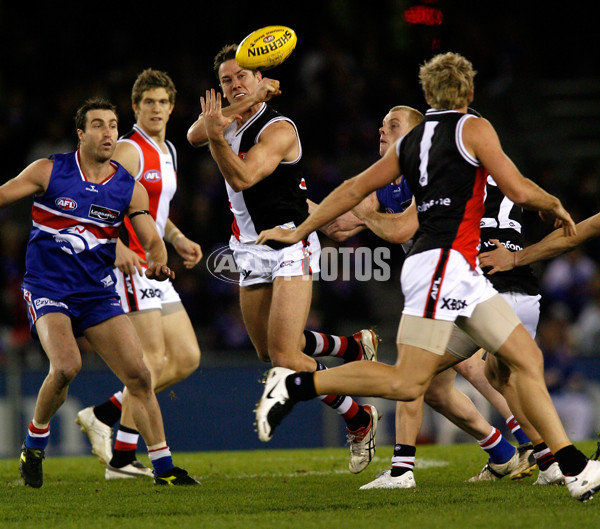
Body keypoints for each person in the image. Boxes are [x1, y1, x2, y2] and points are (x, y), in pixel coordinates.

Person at [253, 52, 600, 502]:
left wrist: (299, 230)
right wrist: (553, 204)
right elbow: (516, 188)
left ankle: (572, 468)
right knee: (407, 382)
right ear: (469, 93)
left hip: (459, 271)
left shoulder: (409, 145)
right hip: (441, 265)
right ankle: (297, 383)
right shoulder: (472, 127)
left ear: (428, 94)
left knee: (524, 362)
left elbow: (353, 189)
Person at [325, 106, 558, 488]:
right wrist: (300, 216)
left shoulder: (434, 173)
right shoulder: (389, 179)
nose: (381, 133)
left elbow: (396, 228)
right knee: (454, 380)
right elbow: (340, 223)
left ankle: (405, 468)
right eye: (381, 126)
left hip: (462, 281)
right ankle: (514, 453)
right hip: (470, 282)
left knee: (436, 368)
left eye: (392, 126)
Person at [187, 44, 379, 473]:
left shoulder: (279, 128)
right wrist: (233, 113)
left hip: (290, 243)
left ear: (261, 77)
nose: (235, 84)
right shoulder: (237, 114)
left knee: (286, 358)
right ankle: (347, 346)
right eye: (226, 81)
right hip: (248, 249)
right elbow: (192, 136)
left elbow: (243, 175)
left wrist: (220, 130)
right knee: (264, 350)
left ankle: (359, 417)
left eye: (243, 77)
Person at [1, 98, 197, 487]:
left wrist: (157, 260)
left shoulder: (127, 188)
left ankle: (164, 468)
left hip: (97, 293)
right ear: (81, 133)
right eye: (98, 125)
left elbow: (151, 240)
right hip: (48, 289)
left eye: (112, 125)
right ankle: (34, 442)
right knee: (67, 367)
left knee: (140, 374)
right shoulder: (49, 170)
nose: (108, 133)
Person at [75, 69, 203, 480]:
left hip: (154, 263)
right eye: (148, 101)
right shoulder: (130, 150)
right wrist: (117, 247)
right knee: (148, 362)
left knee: (185, 358)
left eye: (163, 102)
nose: (156, 109)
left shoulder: (168, 151)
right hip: (130, 264)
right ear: (135, 107)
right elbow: (94, 199)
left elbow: (151, 211)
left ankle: (103, 414)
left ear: (172, 106)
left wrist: (178, 237)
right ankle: (123, 459)